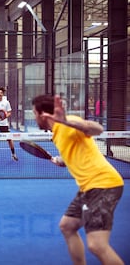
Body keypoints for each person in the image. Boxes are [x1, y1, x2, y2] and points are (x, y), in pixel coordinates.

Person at [32, 94, 124, 265]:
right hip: (88, 188)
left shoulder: (68, 123)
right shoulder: (56, 133)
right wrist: (61, 160)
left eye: (34, 113)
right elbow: (75, 151)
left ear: (42, 114)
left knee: (97, 245)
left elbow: (97, 129)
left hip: (104, 184)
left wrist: (66, 121)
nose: (33, 117)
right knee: (67, 226)